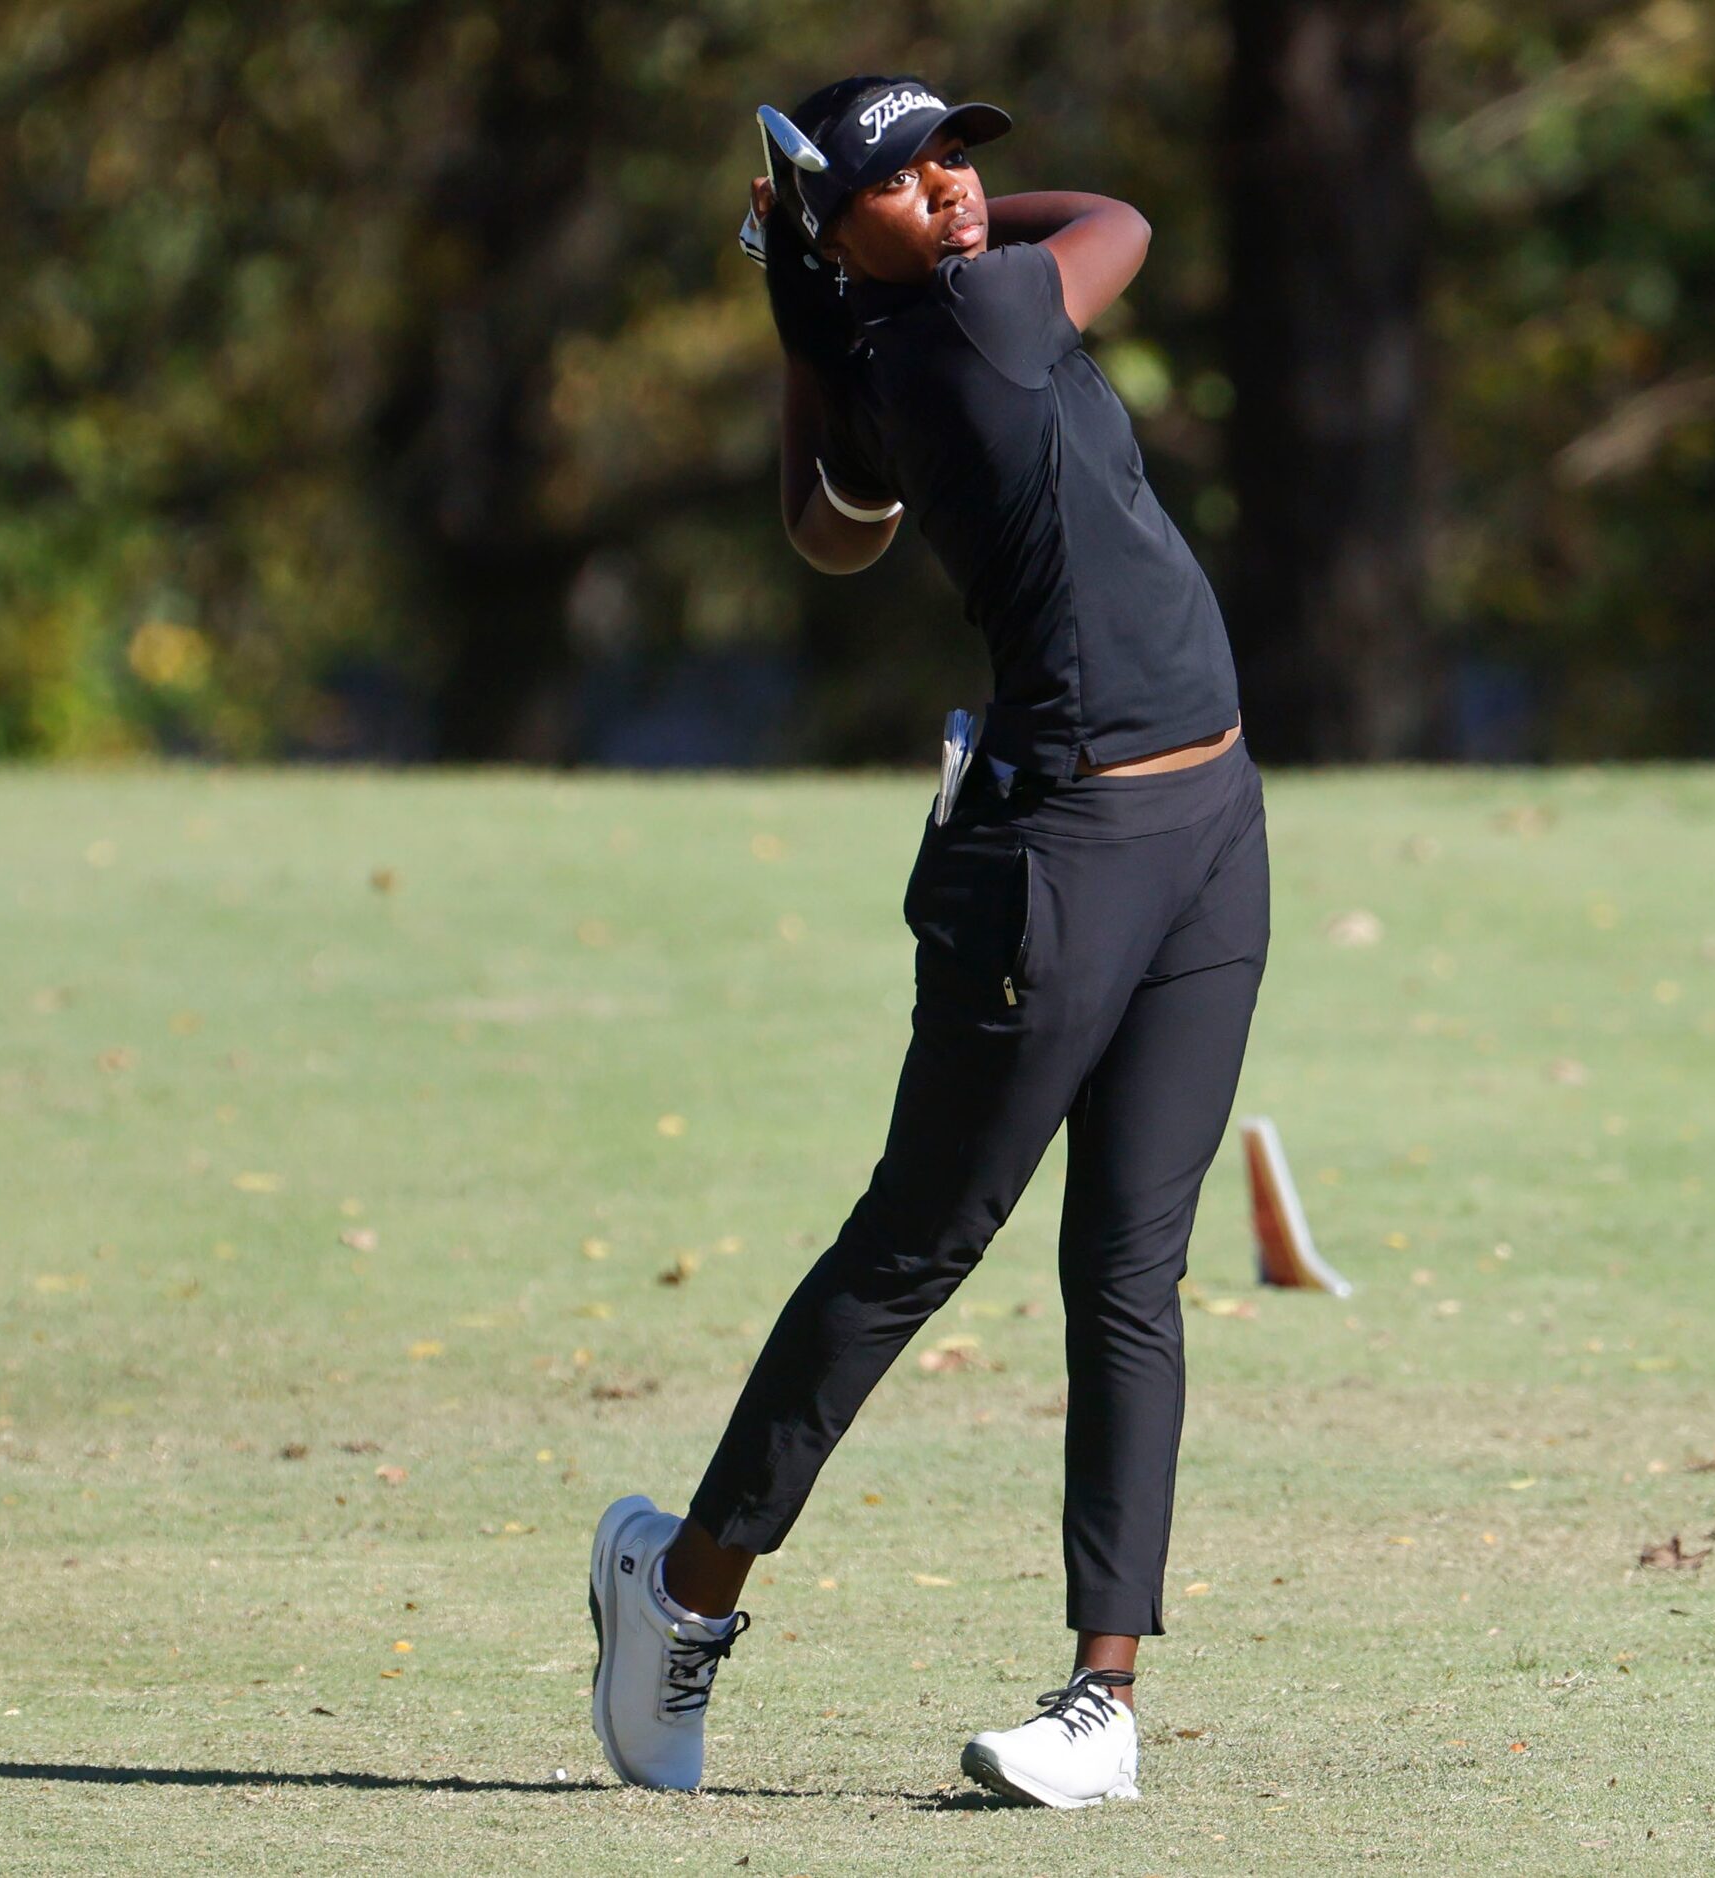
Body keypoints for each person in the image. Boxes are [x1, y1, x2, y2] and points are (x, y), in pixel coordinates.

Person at [587, 72, 1269, 1811]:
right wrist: (842, 272)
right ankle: (682, 1587)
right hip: (1059, 853)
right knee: (916, 1246)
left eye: (962, 159)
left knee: (1131, 1266)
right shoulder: (970, 318)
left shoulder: (890, 349)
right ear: (846, 221)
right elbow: (1118, 222)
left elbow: (827, 525)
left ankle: (1102, 1705)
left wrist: (808, 296)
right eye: (908, 175)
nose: (960, 192)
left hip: (1204, 825)